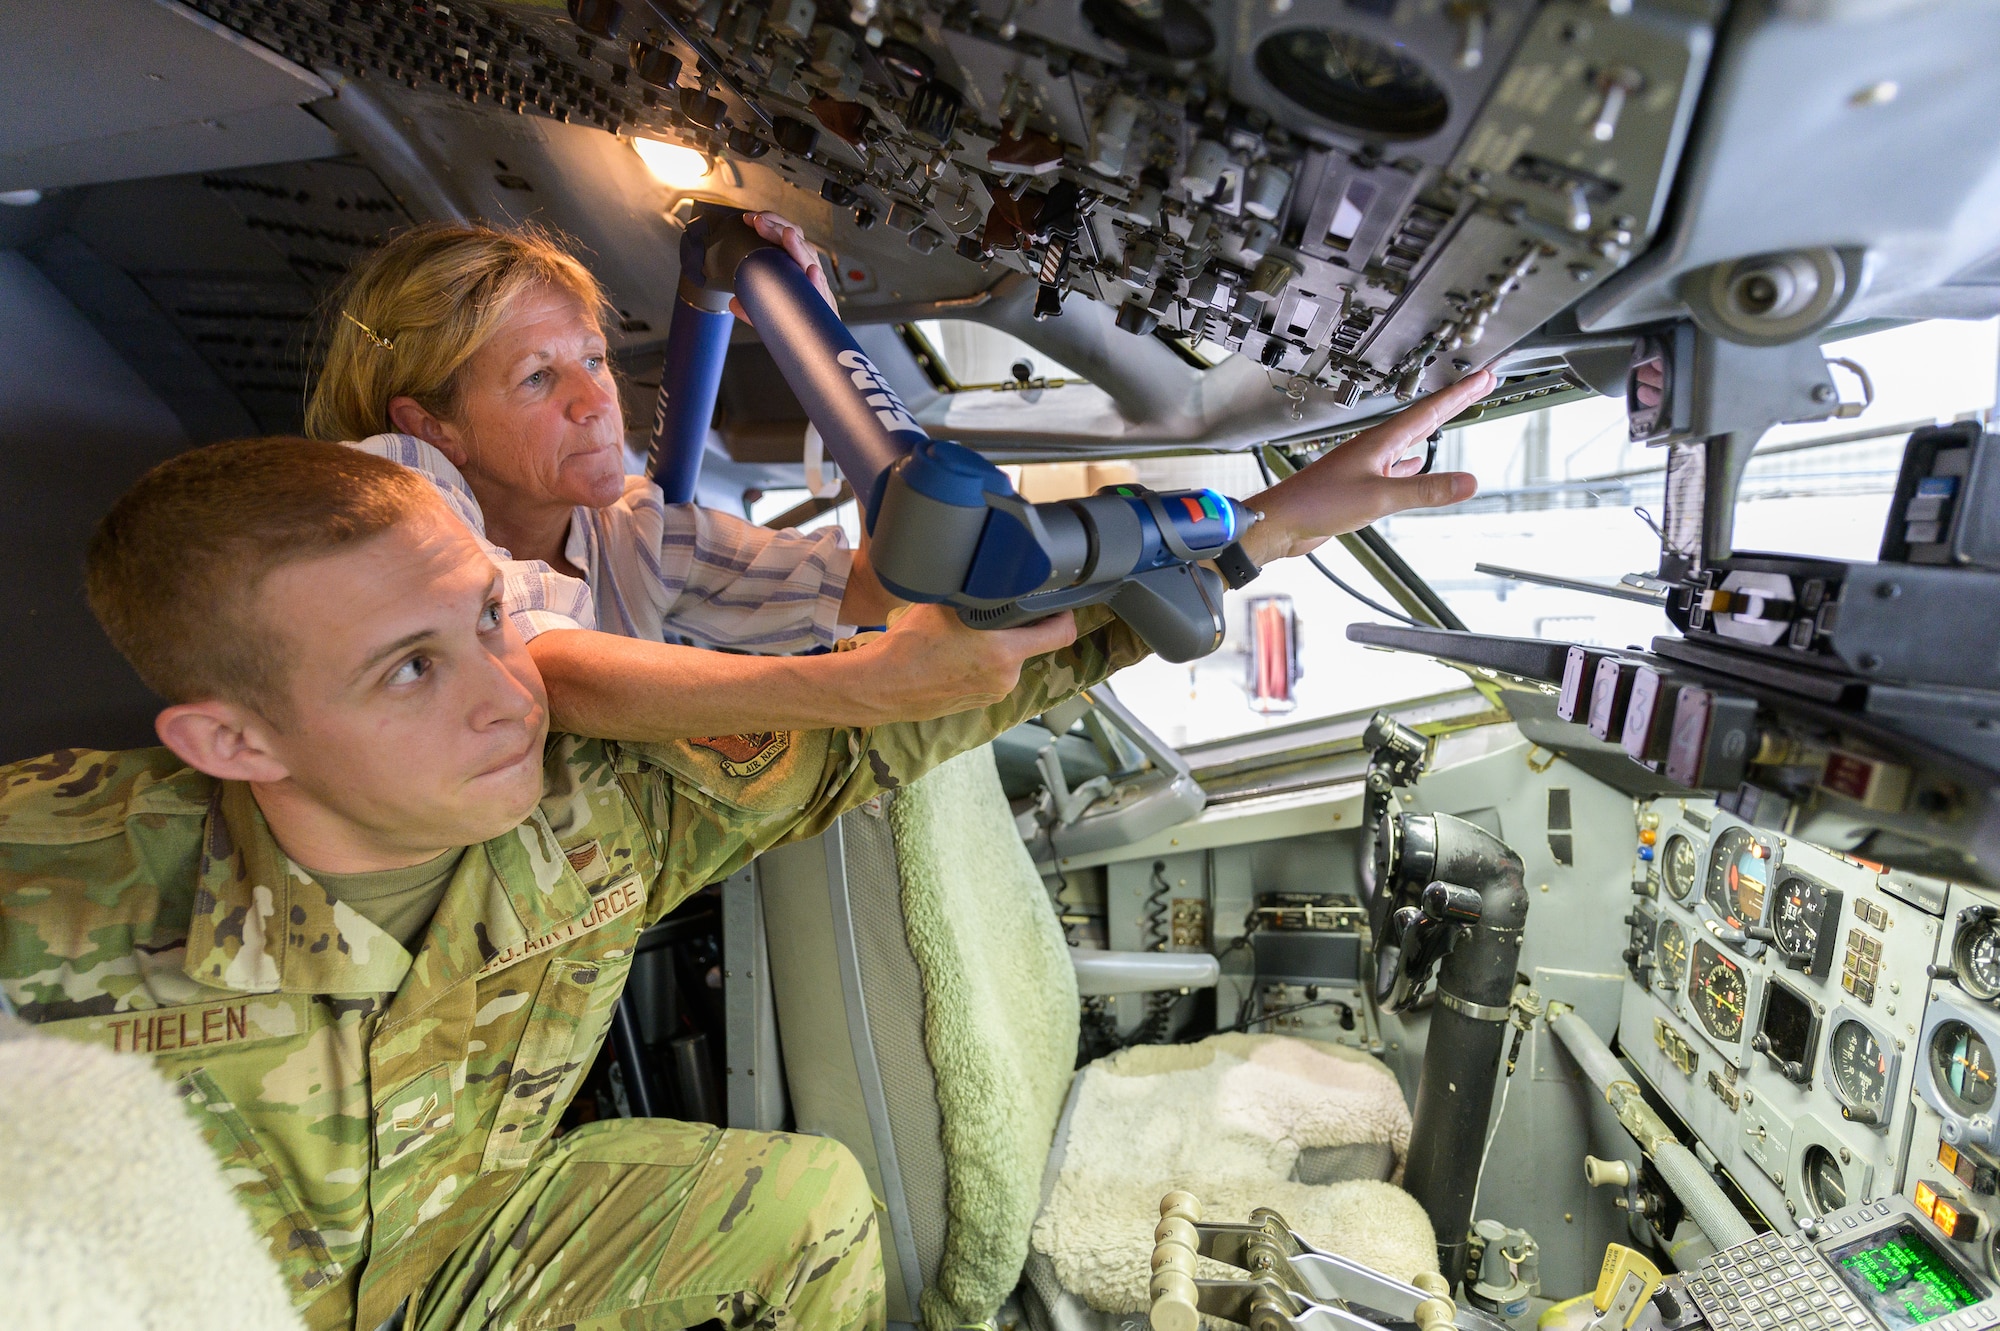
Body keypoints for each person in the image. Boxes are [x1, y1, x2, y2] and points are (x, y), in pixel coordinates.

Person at [0, 372, 1486, 1330]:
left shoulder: (596, 806)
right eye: (406, 668)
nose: (503, 690)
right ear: (232, 744)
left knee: (801, 1204)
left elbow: (923, 707)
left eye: (489, 619)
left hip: (460, 1250)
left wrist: (1266, 527)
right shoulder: (47, 877)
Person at [306, 211, 1040, 742]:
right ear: (432, 425)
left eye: (593, 360)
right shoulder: (390, 484)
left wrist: (812, 334)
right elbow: (545, 673)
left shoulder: (635, 533)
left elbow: (868, 586)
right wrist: (869, 687)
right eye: (537, 377)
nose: (596, 401)